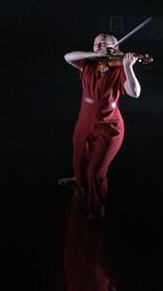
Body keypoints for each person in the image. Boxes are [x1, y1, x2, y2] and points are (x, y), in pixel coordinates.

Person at [59, 33, 142, 220]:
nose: (99, 46)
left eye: (104, 44)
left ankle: (97, 208)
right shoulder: (87, 64)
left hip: (109, 126)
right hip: (85, 121)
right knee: (78, 160)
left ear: (116, 48)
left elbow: (135, 93)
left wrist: (128, 67)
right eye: (96, 43)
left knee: (95, 173)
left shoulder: (119, 68)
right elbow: (67, 57)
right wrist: (97, 54)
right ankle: (78, 182)